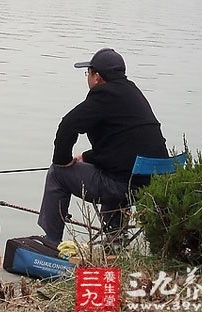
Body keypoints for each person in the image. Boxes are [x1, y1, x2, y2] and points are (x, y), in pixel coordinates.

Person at [38, 48, 168, 243]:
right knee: (117, 180)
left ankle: (51, 242)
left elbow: (68, 125)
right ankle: (115, 244)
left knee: (57, 174)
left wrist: (62, 160)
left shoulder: (103, 95)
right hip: (154, 184)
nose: (87, 77)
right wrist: (88, 157)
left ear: (97, 77)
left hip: (123, 185)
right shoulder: (133, 93)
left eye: (88, 73)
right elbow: (126, 144)